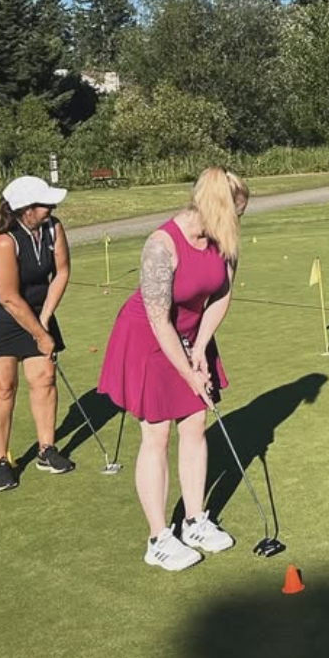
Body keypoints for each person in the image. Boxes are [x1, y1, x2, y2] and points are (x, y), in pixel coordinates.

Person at [97, 168, 249, 571]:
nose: (239, 222)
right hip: (148, 338)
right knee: (157, 434)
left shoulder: (224, 240)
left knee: (195, 423)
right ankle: (158, 538)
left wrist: (201, 347)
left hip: (191, 335)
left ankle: (194, 521)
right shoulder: (161, 246)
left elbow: (221, 295)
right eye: (236, 214)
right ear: (216, 208)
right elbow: (158, 319)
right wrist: (188, 371)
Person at [0, 176, 75, 492]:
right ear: (24, 210)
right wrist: (39, 334)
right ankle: (0, 463)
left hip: (36, 312)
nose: (51, 208)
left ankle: (47, 449)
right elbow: (9, 298)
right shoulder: (3, 241)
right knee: (3, 388)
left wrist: (46, 318)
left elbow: (62, 272)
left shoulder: (53, 228)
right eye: (44, 204)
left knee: (44, 378)